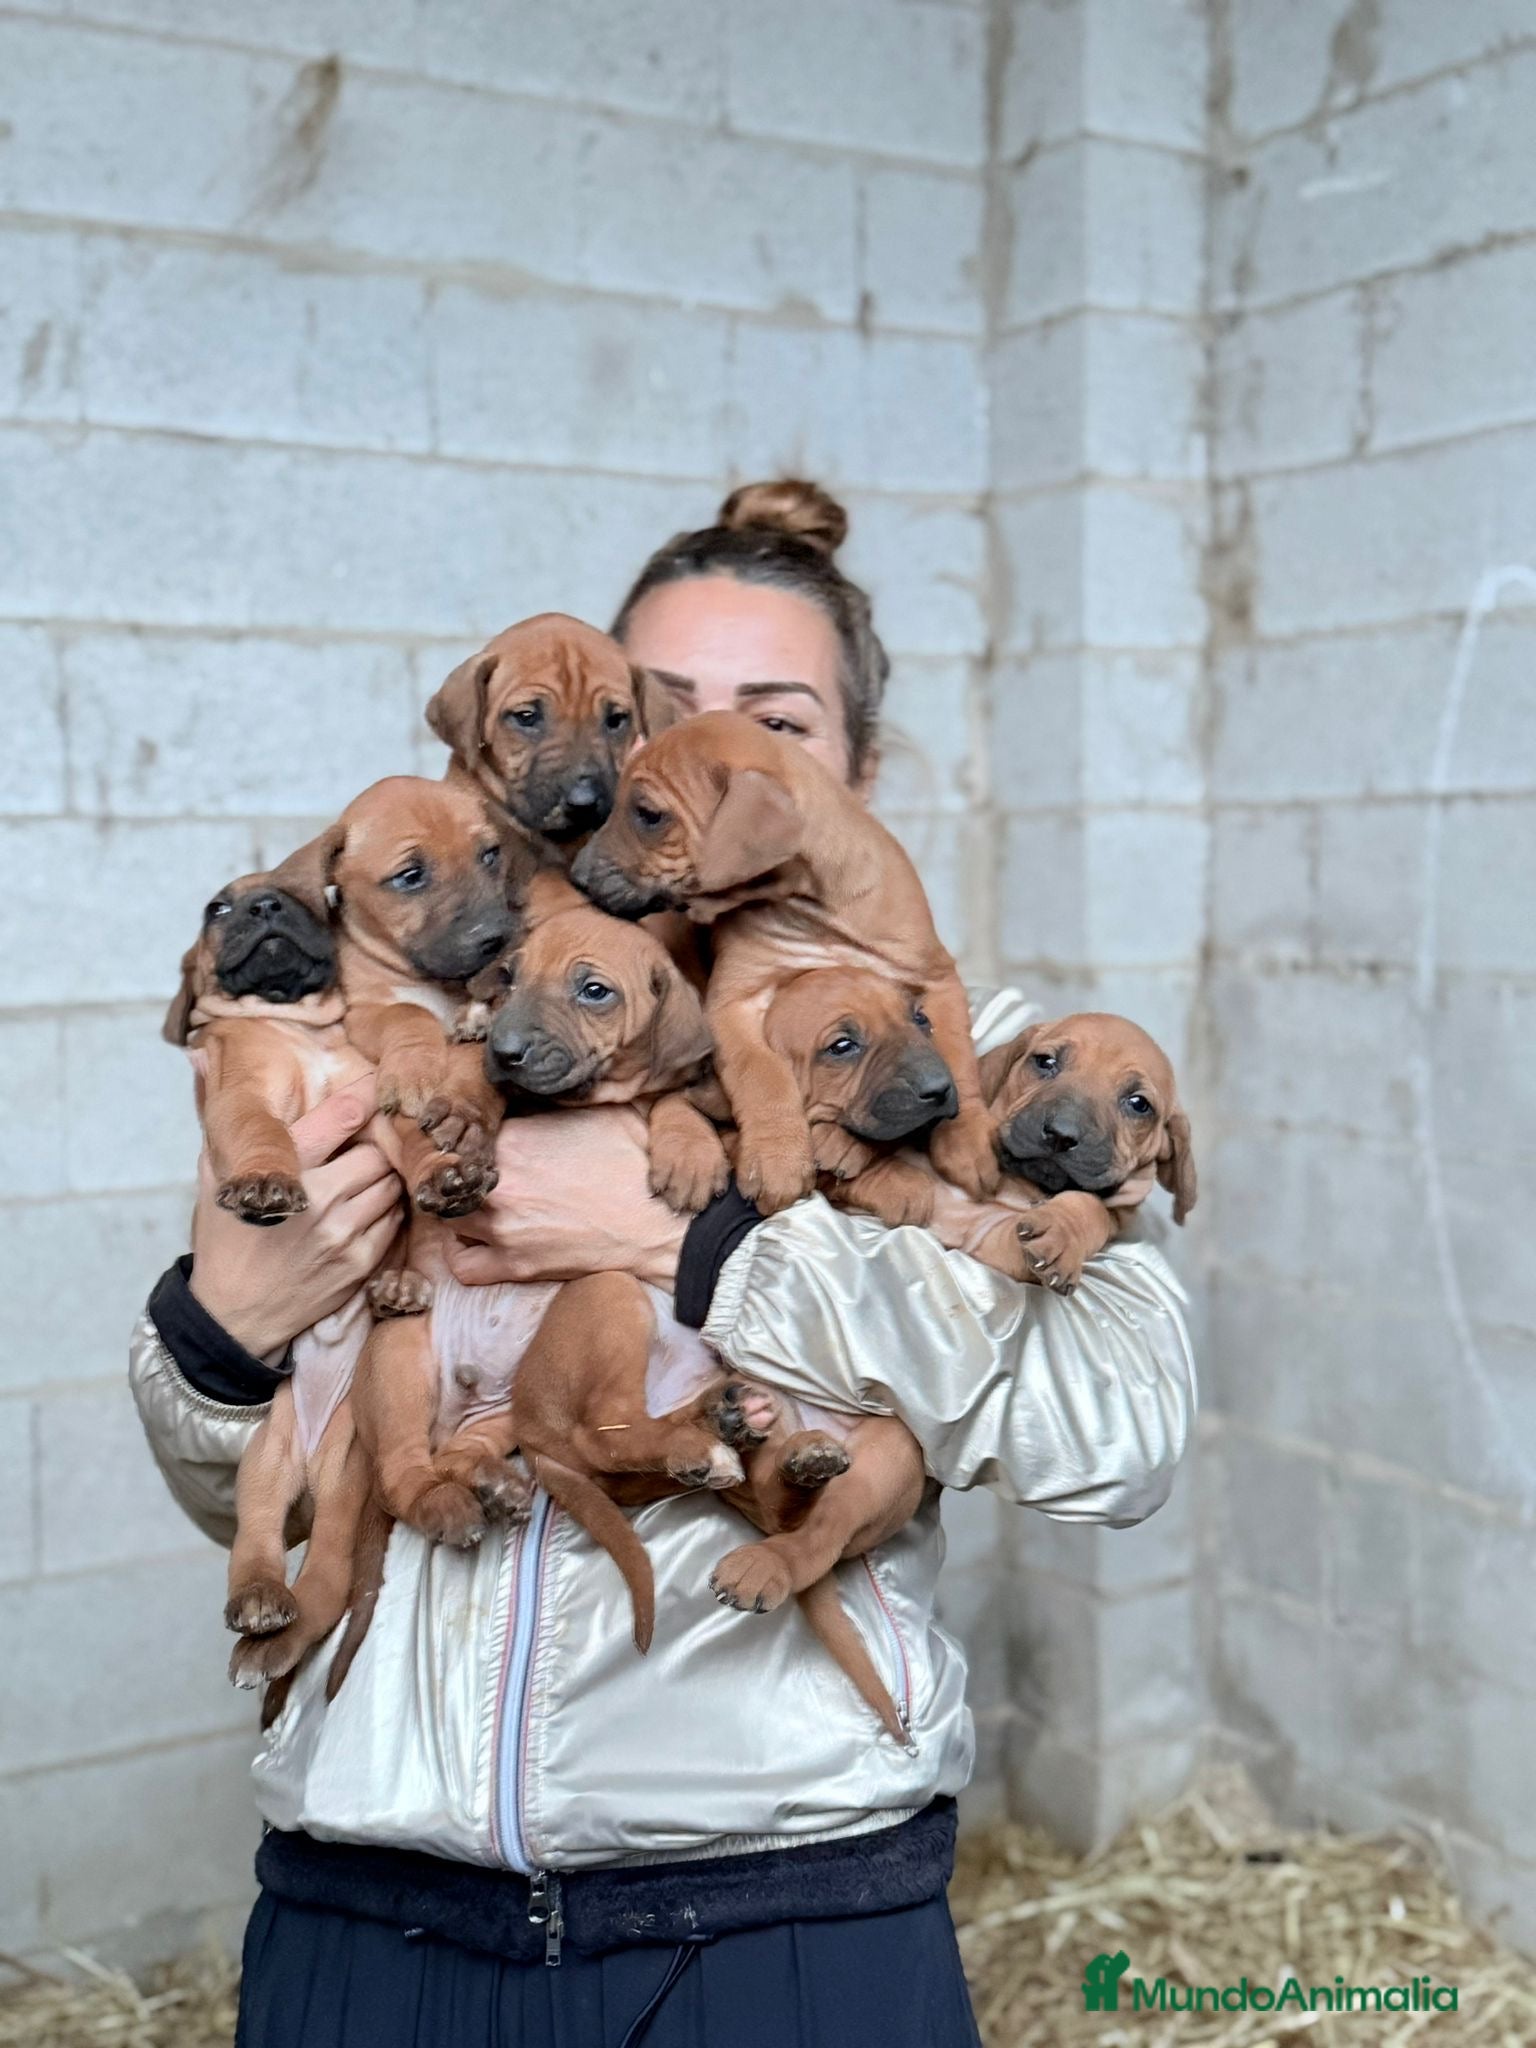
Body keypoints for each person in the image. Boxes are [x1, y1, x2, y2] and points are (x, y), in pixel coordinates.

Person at [130, 479, 1196, 2048]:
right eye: (666, 718)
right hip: (372, 1911)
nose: (717, 761)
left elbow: (1121, 1428)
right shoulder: (441, 1014)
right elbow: (251, 1476)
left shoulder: (992, 1070)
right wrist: (222, 1337)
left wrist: (683, 1246)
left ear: (863, 771)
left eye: (780, 719)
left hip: (780, 1925)